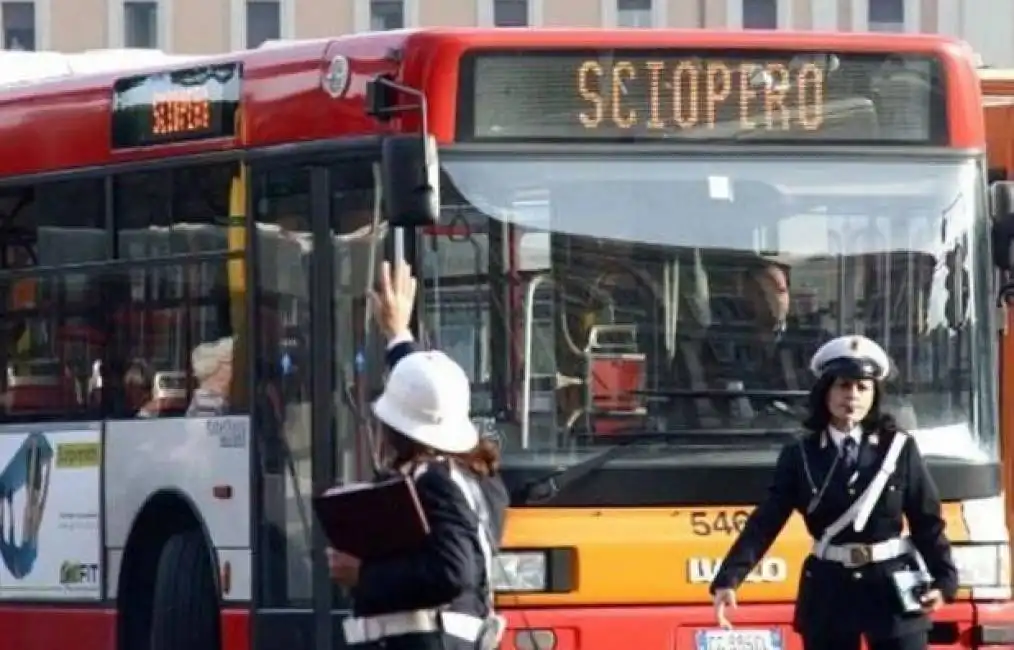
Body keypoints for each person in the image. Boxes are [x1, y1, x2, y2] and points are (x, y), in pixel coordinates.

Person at [709, 334, 957, 650]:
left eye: (862, 387)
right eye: (842, 385)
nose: (851, 396)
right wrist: (730, 578)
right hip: (830, 591)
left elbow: (927, 520)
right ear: (825, 391)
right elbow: (767, 520)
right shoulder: (800, 453)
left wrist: (944, 580)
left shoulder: (898, 449)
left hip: (892, 590)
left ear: (874, 396)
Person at [326, 259, 508, 650]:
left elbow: (452, 570)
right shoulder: (477, 477)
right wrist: (397, 335)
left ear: (396, 430)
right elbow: (427, 394)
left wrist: (364, 575)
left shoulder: (435, 482)